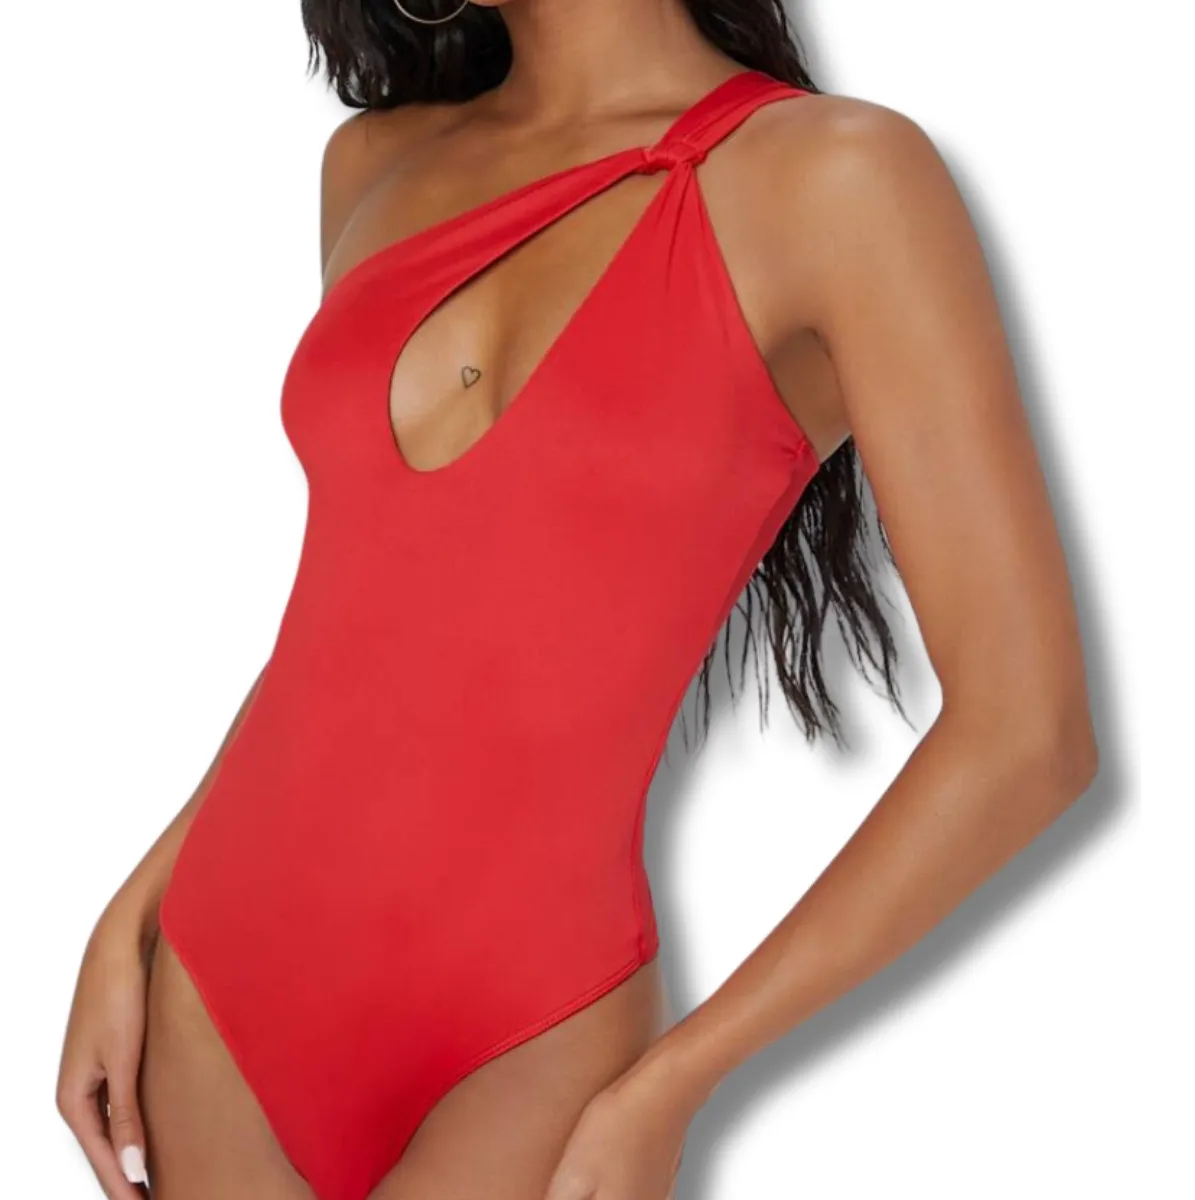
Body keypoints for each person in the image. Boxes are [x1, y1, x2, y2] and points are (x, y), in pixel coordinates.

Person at [56, 1, 1099, 1198]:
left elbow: (1030, 736)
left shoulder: (838, 180)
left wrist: (680, 1080)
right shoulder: (372, 164)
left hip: (527, 1040)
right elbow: (362, 627)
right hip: (219, 985)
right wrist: (136, 909)